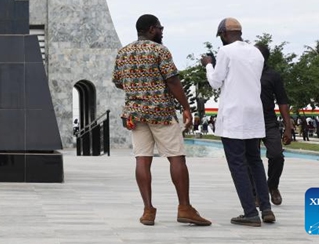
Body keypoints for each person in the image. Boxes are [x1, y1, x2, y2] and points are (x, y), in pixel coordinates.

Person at [113, 14, 211, 227]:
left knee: (142, 159)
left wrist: (137, 88)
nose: (162, 31)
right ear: (151, 29)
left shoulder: (123, 52)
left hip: (135, 114)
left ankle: (148, 210)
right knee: (176, 157)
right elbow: (173, 80)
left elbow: (118, 82)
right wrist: (186, 107)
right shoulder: (159, 50)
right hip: (161, 113)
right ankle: (184, 207)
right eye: (160, 28)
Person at [201, 18, 274, 227]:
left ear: (224, 34)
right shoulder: (256, 53)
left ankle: (250, 212)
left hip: (234, 115)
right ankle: (266, 209)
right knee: (255, 161)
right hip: (254, 114)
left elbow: (215, 82)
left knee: (238, 165)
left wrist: (208, 65)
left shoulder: (226, 52)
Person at [253, 43, 292, 206]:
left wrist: (288, 127)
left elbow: (282, 101)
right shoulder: (245, 73)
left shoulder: (273, 76)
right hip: (250, 121)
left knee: (276, 155)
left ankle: (272, 186)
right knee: (251, 159)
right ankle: (256, 193)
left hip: (269, 122)